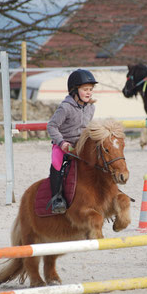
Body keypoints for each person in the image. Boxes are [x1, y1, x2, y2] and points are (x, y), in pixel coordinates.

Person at [47, 69, 98, 214]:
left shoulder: (91, 107)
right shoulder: (65, 107)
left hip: (81, 145)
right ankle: (56, 198)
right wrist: (61, 143)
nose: (89, 92)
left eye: (90, 89)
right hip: (63, 145)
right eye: (85, 89)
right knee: (56, 163)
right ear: (74, 90)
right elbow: (51, 126)